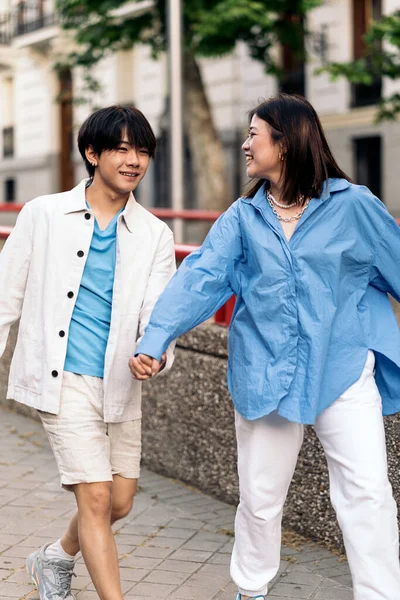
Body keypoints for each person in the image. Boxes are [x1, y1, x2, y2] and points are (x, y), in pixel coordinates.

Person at [130, 94, 400, 600]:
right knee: (260, 497)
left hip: (341, 368)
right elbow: (202, 278)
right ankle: (251, 589)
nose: (246, 144)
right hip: (266, 373)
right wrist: (156, 338)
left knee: (367, 493)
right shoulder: (243, 217)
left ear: (287, 140)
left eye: (255, 134)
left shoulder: (355, 206)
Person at [0, 105, 175, 600]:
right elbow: (4, 294)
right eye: (121, 149)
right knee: (95, 498)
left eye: (142, 150)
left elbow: (157, 317)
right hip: (61, 378)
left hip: (119, 384)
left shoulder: (155, 235)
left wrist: (156, 355)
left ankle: (54, 557)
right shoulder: (43, 213)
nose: (133, 160)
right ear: (91, 153)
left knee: (119, 502)